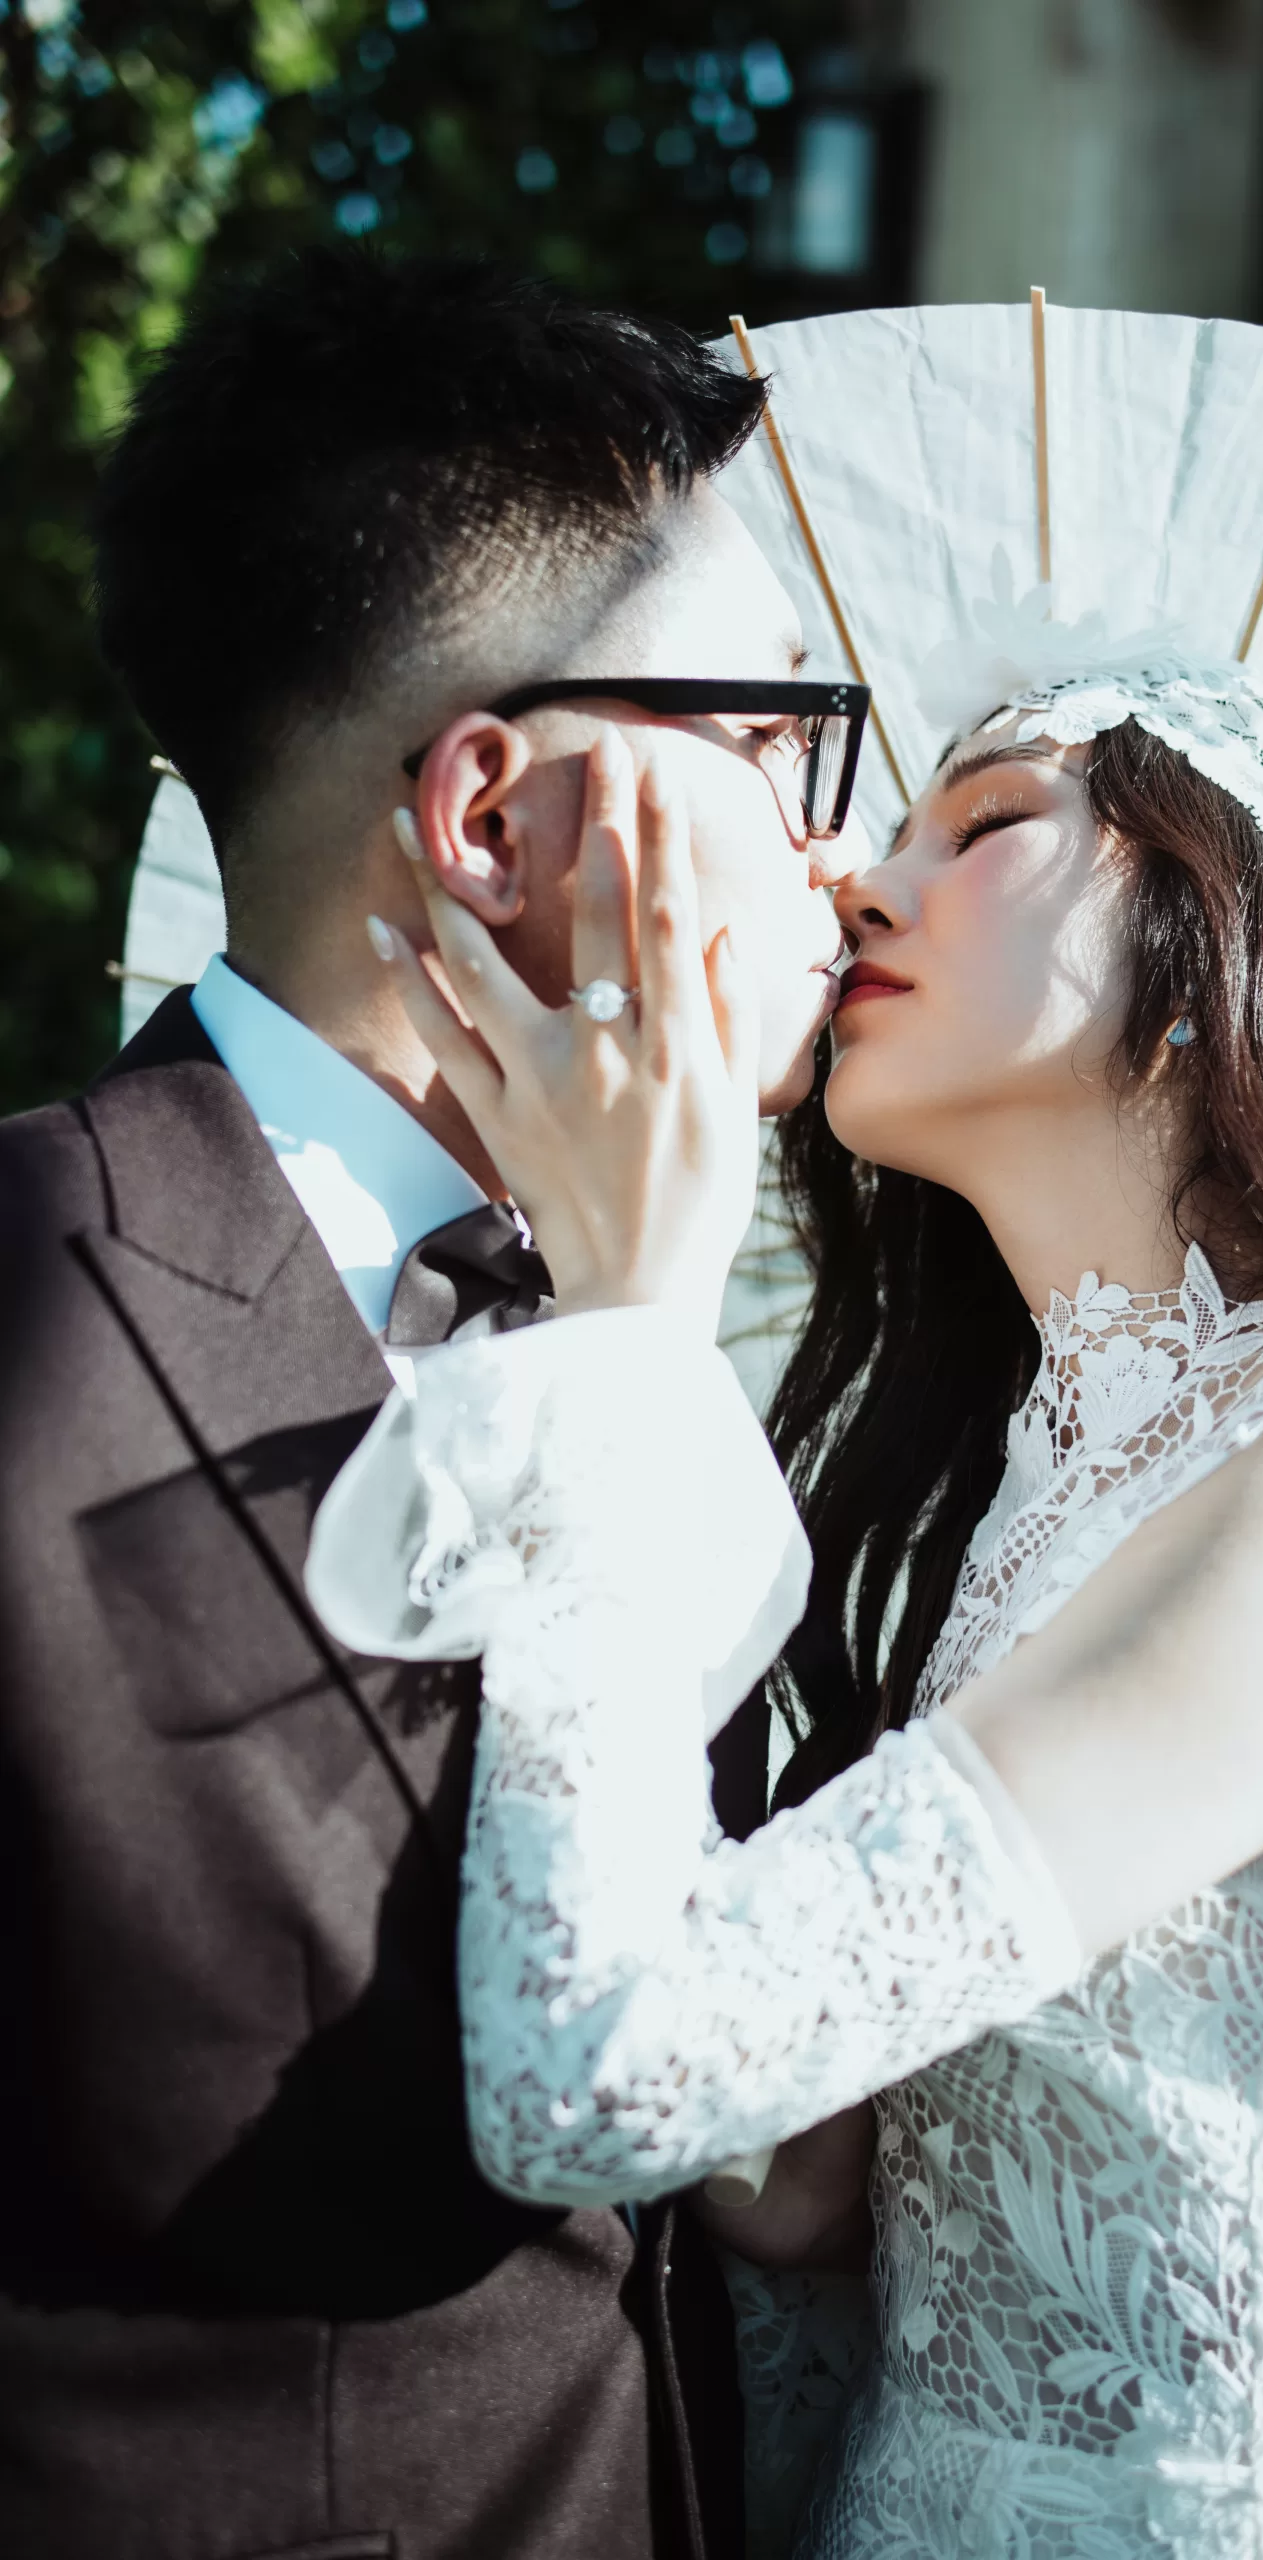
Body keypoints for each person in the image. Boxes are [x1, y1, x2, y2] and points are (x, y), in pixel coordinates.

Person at [311, 645, 1263, 2557]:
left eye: (980, 825)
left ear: (1225, 945)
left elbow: (605, 2078)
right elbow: (808, 2191)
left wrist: (632, 1338)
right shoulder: (1043, 1478)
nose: (853, 882)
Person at [0, 241, 870, 2558]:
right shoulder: (25, 1318)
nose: (833, 846)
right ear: (489, 815)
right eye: (774, 739)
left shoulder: (686, 1308)